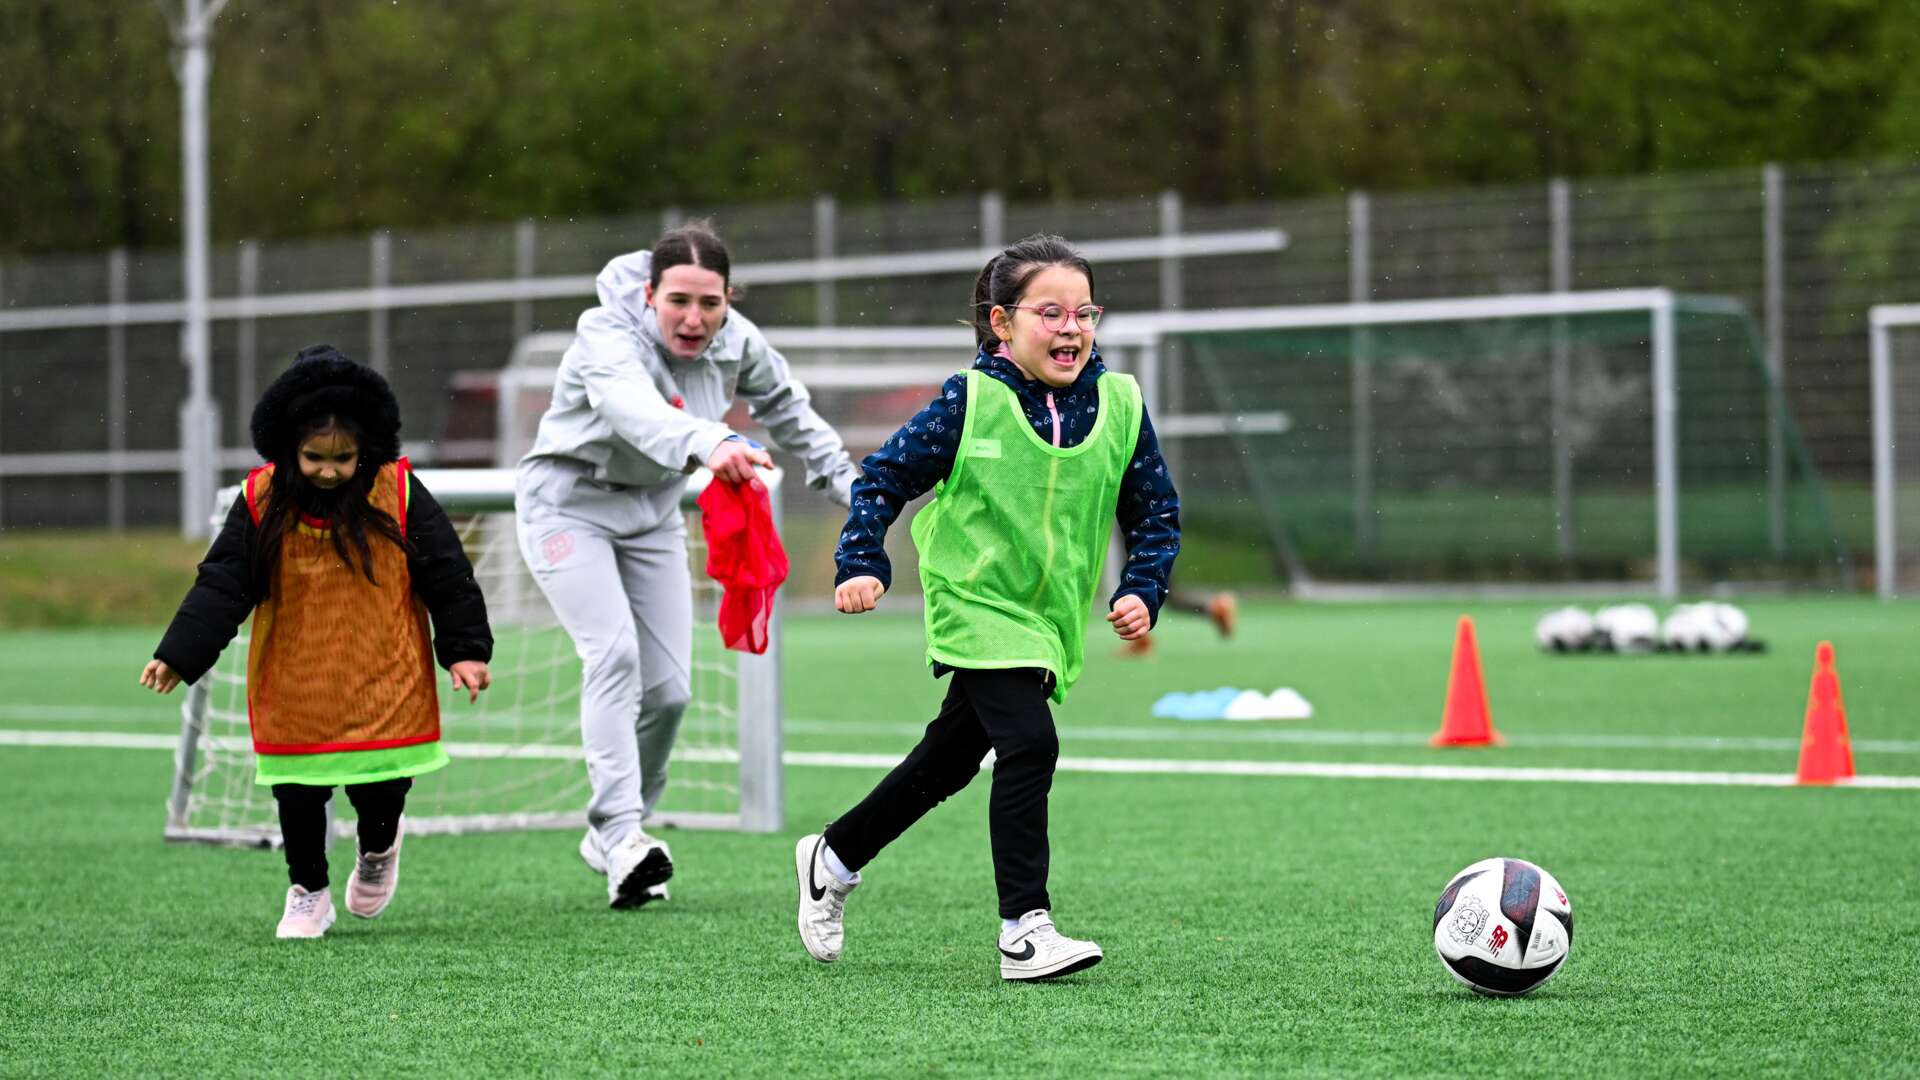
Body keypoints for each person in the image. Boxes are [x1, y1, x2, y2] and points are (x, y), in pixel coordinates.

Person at [794, 234, 1181, 981]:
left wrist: (1142, 587)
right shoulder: (969, 400)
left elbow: (1156, 511)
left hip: (1048, 623)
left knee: (949, 760)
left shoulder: (1123, 404)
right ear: (1002, 324)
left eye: (1085, 313)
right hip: (973, 603)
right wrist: (863, 560)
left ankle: (834, 855)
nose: (1072, 328)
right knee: (1030, 744)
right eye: (1051, 313)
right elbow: (881, 480)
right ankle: (1024, 931)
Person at [515, 222, 858, 909]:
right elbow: (631, 410)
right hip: (566, 509)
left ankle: (617, 831)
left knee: (669, 692)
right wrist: (711, 440)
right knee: (612, 657)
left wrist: (854, 487)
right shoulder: (603, 335)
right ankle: (621, 835)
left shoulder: (739, 339)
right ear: (650, 295)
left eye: (710, 303)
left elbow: (788, 410)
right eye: (678, 302)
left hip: (652, 516)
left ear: (729, 298)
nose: (694, 319)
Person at [141, 346, 493, 939]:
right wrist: (180, 653)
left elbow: (446, 571)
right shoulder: (261, 499)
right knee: (298, 798)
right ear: (288, 448)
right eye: (314, 457)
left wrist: (465, 650)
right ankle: (308, 890)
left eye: (343, 459)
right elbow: (224, 581)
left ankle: (378, 849)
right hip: (296, 679)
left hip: (385, 676)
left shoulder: (399, 493)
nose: (328, 471)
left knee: (379, 791)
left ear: (368, 450)